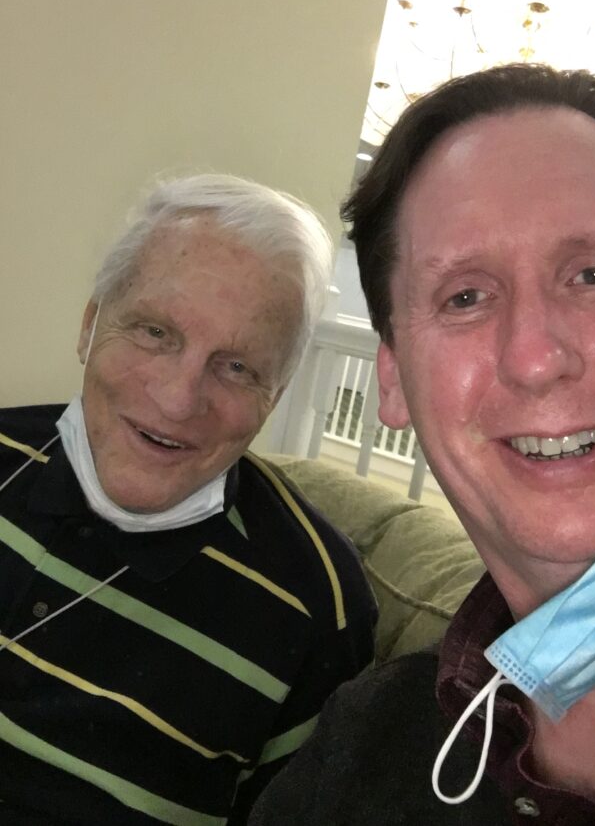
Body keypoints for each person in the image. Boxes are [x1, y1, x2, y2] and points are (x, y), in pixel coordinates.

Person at [249, 64, 595, 825]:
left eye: (594, 274)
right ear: (392, 379)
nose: (533, 356)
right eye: (465, 296)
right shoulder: (365, 750)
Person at [0, 174, 377, 824]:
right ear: (91, 326)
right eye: (154, 332)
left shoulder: (318, 612)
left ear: (274, 396)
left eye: (236, 367)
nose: (178, 399)